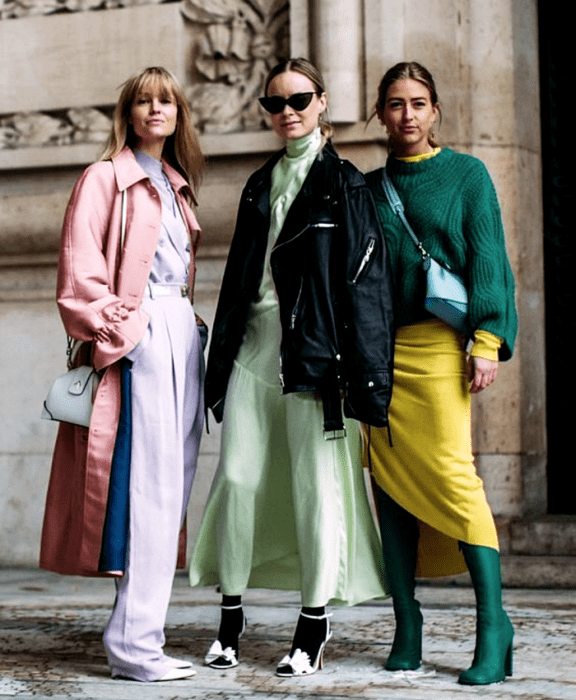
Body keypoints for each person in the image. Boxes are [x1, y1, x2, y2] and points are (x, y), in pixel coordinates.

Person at [189, 57, 394, 677]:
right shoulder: (258, 182)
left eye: (299, 99)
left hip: (315, 360)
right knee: (239, 482)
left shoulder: (346, 183)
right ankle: (231, 617)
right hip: (253, 353)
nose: (288, 112)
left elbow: (367, 288)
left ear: (323, 101)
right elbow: (237, 282)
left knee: (316, 490)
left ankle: (312, 624)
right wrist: (216, 363)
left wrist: (366, 379)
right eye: (275, 104)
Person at [40, 67, 205, 682]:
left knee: (172, 489)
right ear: (128, 113)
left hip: (180, 334)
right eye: (144, 100)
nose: (155, 109)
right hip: (142, 337)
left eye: (166, 100)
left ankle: (141, 638)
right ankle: (134, 647)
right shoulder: (105, 178)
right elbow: (79, 273)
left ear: (179, 114)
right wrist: (123, 336)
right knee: (145, 491)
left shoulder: (176, 184)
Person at [363, 61, 518, 685]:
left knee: (456, 480)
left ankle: (494, 626)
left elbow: (489, 259)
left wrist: (487, 340)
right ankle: (408, 624)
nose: (408, 115)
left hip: (442, 349)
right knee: (390, 488)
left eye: (419, 103)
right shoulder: (368, 188)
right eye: (396, 104)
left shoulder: (466, 175)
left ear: (436, 111)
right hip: (381, 353)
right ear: (380, 112)